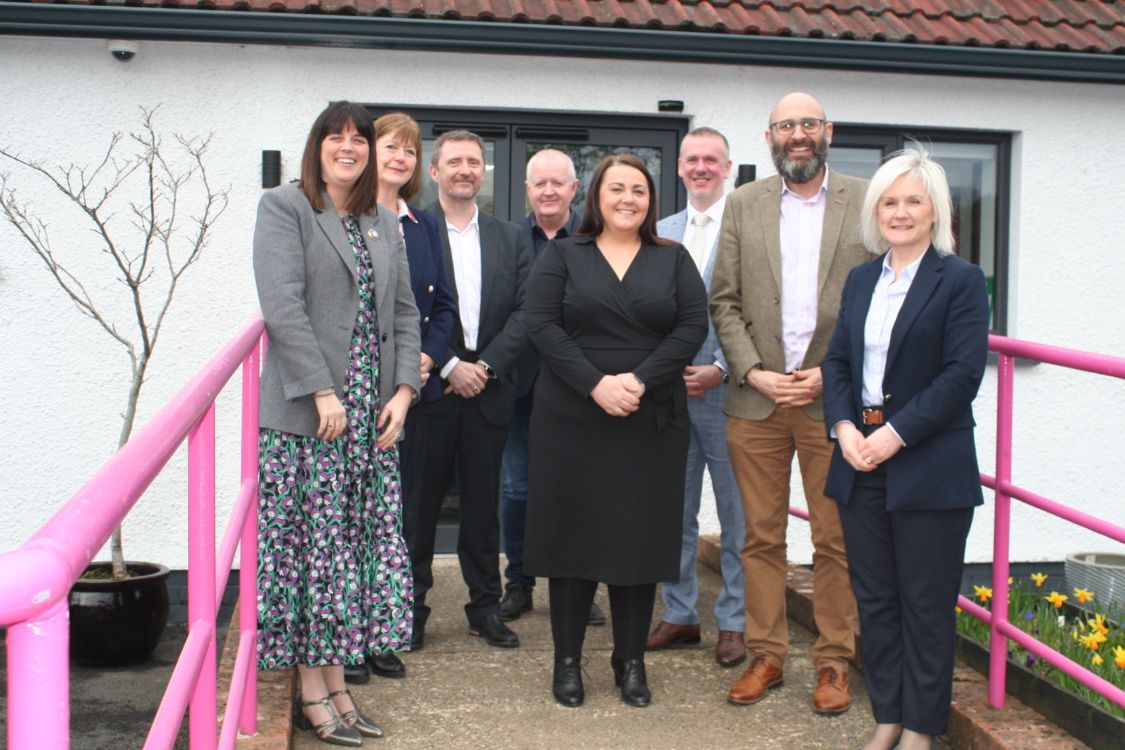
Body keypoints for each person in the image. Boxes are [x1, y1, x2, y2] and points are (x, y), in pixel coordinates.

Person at [253, 101, 420, 746]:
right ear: (318, 145)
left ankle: (337, 684)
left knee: (346, 555)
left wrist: (403, 392)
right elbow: (282, 306)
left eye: (358, 139)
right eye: (336, 137)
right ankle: (311, 691)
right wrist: (324, 391)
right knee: (308, 557)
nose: (348, 147)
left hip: (370, 421)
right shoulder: (286, 207)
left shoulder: (381, 221)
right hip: (309, 419)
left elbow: (404, 314)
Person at [523, 154, 708, 709]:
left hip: (648, 419)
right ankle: (568, 661)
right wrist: (595, 383)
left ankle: (630, 662)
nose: (628, 198)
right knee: (572, 541)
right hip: (573, 416)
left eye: (639, 190)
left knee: (638, 541)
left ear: (651, 201)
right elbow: (541, 322)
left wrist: (639, 380)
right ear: (596, 196)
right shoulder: (563, 253)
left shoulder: (672, 258)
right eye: (617, 188)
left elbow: (692, 326)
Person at [822, 148, 989, 750]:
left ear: (935, 210)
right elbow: (838, 361)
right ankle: (887, 716)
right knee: (876, 600)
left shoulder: (961, 280)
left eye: (913, 200)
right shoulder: (863, 277)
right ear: (876, 211)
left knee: (925, 604)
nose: (900, 212)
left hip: (926, 464)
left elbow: (961, 375)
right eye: (889, 201)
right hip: (858, 458)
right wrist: (844, 429)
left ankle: (920, 729)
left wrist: (893, 435)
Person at [709, 91, 867, 714]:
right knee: (759, 537)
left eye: (807, 124)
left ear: (827, 130)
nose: (797, 135)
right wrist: (752, 371)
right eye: (785, 126)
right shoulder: (743, 203)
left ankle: (833, 663)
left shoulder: (863, 202)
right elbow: (722, 300)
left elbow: (878, 300)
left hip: (833, 404)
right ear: (770, 136)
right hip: (758, 402)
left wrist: (833, 374)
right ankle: (766, 654)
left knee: (835, 540)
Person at [341, 112, 457, 685]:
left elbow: (444, 309)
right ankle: (351, 639)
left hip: (414, 395)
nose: (401, 158)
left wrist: (424, 364)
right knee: (354, 521)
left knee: (402, 522)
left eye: (411, 151)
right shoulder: (344, 217)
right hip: (355, 394)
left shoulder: (425, 225)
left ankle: (389, 631)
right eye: (391, 146)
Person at [411, 129, 530, 649]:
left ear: (484, 172)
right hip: (431, 389)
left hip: (490, 389)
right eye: (453, 161)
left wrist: (486, 368)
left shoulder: (511, 237)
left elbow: (528, 311)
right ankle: (408, 611)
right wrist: (449, 365)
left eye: (474, 162)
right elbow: (401, 308)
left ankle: (484, 607)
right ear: (434, 171)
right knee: (419, 508)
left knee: (483, 509)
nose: (465, 169)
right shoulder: (412, 230)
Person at [648, 127, 747, 668]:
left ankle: (734, 622)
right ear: (680, 167)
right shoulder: (661, 231)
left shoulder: (749, 226)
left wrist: (722, 368)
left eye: (712, 159)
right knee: (673, 514)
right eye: (692, 159)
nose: (701, 167)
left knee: (737, 517)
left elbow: (761, 309)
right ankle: (680, 613)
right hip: (669, 398)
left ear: (728, 167)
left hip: (730, 396)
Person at [499, 148, 606, 628]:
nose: (548, 191)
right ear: (527, 190)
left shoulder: (596, 237)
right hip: (519, 387)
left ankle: (581, 586)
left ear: (573, 189)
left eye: (557, 183)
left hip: (580, 389)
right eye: (539, 183)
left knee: (581, 490)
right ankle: (519, 583)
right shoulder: (506, 239)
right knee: (518, 488)